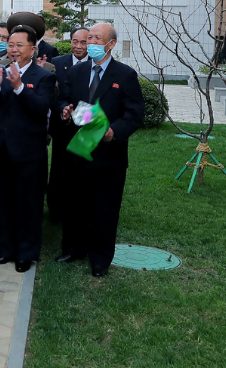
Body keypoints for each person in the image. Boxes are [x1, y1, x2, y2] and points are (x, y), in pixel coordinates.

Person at [57, 23, 144, 277]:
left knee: (104, 209)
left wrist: (113, 132)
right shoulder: (77, 72)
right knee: (75, 205)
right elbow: (65, 98)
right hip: (79, 149)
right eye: (89, 38)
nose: (90, 43)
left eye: (96, 39)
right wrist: (65, 109)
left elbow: (135, 113)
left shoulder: (125, 75)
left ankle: (100, 258)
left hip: (109, 157)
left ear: (111, 44)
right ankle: (73, 248)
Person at [0, 25, 56, 274]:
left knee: (28, 204)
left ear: (33, 49)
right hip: (1, 149)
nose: (12, 49)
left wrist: (19, 87)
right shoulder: (0, 71)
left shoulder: (43, 76)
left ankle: (25, 253)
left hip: (29, 152)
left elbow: (41, 108)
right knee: (2, 202)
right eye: (10, 45)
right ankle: (5, 250)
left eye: (18, 45)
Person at [47, 27, 89, 223]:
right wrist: (63, 110)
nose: (78, 46)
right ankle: (55, 212)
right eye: (74, 41)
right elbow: (53, 95)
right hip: (62, 127)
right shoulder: (57, 62)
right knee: (58, 170)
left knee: (80, 171)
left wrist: (80, 115)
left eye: (83, 42)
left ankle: (78, 211)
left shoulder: (94, 65)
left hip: (86, 128)